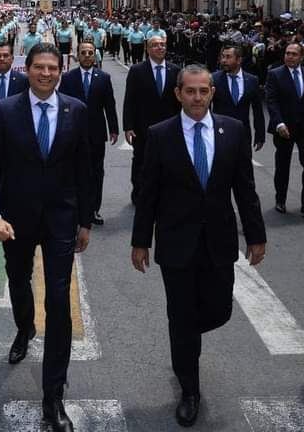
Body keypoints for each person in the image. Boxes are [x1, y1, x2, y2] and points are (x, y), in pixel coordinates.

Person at [131, 65, 266, 427]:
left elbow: (245, 188)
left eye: (203, 91)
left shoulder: (233, 131)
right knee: (182, 315)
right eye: (189, 91)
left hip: (220, 241)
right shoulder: (160, 135)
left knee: (220, 309)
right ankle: (190, 387)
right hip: (176, 243)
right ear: (178, 94)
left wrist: (256, 235)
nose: (196, 98)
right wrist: (140, 241)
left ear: (212, 93)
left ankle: (184, 338)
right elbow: (148, 195)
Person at [0, 42, 93, 432]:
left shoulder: (76, 110)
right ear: (27, 70)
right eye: (39, 67)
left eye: (53, 68)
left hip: (61, 220)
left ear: (61, 70)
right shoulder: (5, 110)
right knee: (18, 280)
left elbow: (85, 169)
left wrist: (85, 221)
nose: (46, 74)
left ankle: (53, 397)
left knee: (58, 301)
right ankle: (24, 327)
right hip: (15, 220)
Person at [59, 40, 119, 225]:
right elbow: (61, 104)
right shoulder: (68, 77)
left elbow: (110, 105)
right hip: (73, 134)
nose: (87, 56)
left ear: (95, 55)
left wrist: (114, 129)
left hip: (96, 134)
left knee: (96, 173)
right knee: (73, 171)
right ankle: (75, 208)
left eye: (90, 52)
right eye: (83, 52)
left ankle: (93, 209)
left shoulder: (104, 77)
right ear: (78, 55)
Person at [265, 42, 304, 222]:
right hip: (284, 129)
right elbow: (271, 101)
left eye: (294, 54)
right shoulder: (275, 74)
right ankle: (280, 199)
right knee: (282, 165)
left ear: (301, 57)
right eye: (287, 53)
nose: (289, 56)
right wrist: (279, 123)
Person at [123, 35, 182, 205]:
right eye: (155, 45)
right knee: (141, 161)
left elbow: (179, 102)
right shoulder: (137, 70)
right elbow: (130, 100)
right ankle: (139, 193)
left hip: (169, 128)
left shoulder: (175, 70)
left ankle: (164, 194)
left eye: (163, 45)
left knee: (168, 162)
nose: (160, 48)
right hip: (143, 127)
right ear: (148, 49)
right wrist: (128, 126)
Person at [211, 44, 265, 151]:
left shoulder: (252, 80)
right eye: (222, 57)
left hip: (243, 134)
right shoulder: (214, 79)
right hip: (220, 133)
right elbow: (206, 107)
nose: (224, 60)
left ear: (239, 60)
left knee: (244, 166)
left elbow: (257, 110)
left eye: (228, 57)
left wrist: (260, 136)